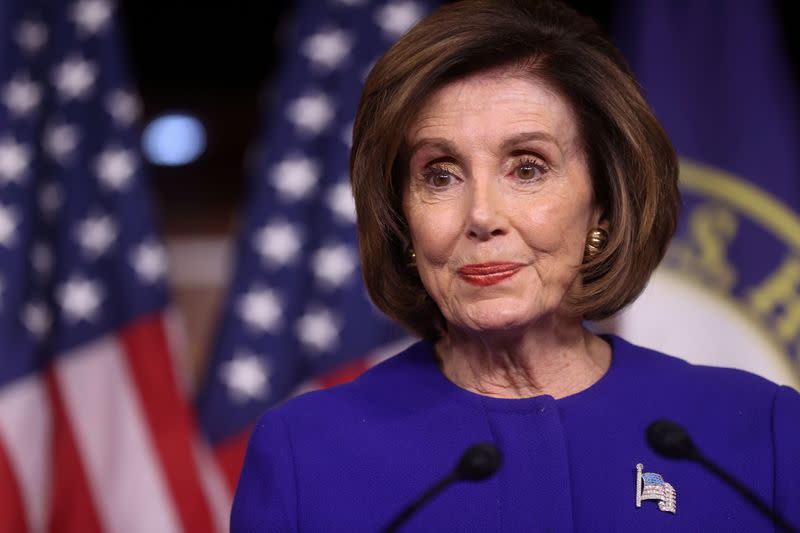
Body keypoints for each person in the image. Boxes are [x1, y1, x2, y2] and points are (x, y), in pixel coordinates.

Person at [231, 1, 800, 531]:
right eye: (440, 175)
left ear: (602, 201)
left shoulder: (758, 433)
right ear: (402, 219)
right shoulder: (306, 455)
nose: (481, 216)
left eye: (527, 169)